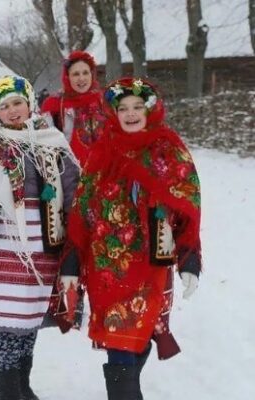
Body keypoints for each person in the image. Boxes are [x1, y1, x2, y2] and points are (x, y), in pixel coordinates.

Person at [60, 78, 202, 400]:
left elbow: (187, 205)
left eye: (138, 106)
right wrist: (71, 260)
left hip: (151, 265)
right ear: (113, 112)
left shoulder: (170, 149)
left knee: (138, 338)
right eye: (122, 108)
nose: (130, 113)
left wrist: (189, 258)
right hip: (107, 267)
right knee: (117, 340)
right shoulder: (101, 150)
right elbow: (81, 209)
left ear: (150, 109)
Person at [0, 75, 79, 400]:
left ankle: (21, 383)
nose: (12, 111)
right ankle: (9, 388)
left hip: (42, 246)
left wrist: (78, 241)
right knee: (8, 323)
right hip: (1, 248)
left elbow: (74, 192)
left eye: (17, 102)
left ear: (30, 103)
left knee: (31, 319)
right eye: (4, 106)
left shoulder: (52, 140)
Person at [40, 51, 105, 163]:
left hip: (102, 172)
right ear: (67, 77)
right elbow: (46, 146)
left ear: (92, 74)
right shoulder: (54, 105)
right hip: (69, 173)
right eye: (76, 74)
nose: (81, 78)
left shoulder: (104, 101)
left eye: (85, 73)